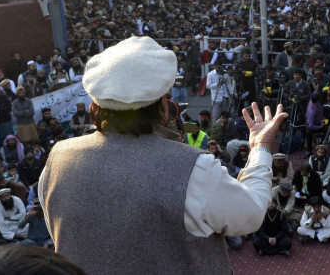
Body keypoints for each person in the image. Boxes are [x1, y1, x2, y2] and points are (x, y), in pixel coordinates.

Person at [38, 36, 287, 274]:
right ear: (162, 107)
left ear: (95, 107)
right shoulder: (193, 168)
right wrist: (261, 148)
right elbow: (251, 214)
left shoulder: (58, 157)